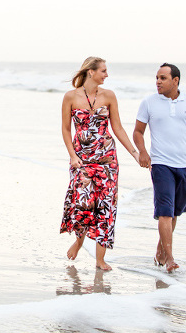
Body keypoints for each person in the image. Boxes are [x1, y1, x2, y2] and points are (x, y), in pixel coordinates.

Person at [60, 56, 140, 271]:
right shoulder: (70, 97)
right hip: (82, 159)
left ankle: (100, 259)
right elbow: (66, 130)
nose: (106, 74)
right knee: (84, 203)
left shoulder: (109, 96)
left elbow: (118, 128)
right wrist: (72, 155)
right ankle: (78, 242)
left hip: (107, 160)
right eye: (103, 70)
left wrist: (135, 152)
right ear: (90, 72)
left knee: (105, 206)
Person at [133, 63, 186, 273]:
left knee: (174, 214)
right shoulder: (149, 103)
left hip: (185, 167)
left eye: (163, 78)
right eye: (156, 78)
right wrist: (143, 152)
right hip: (161, 164)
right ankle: (170, 258)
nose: (158, 82)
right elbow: (138, 132)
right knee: (164, 211)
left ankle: (160, 250)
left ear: (176, 81)